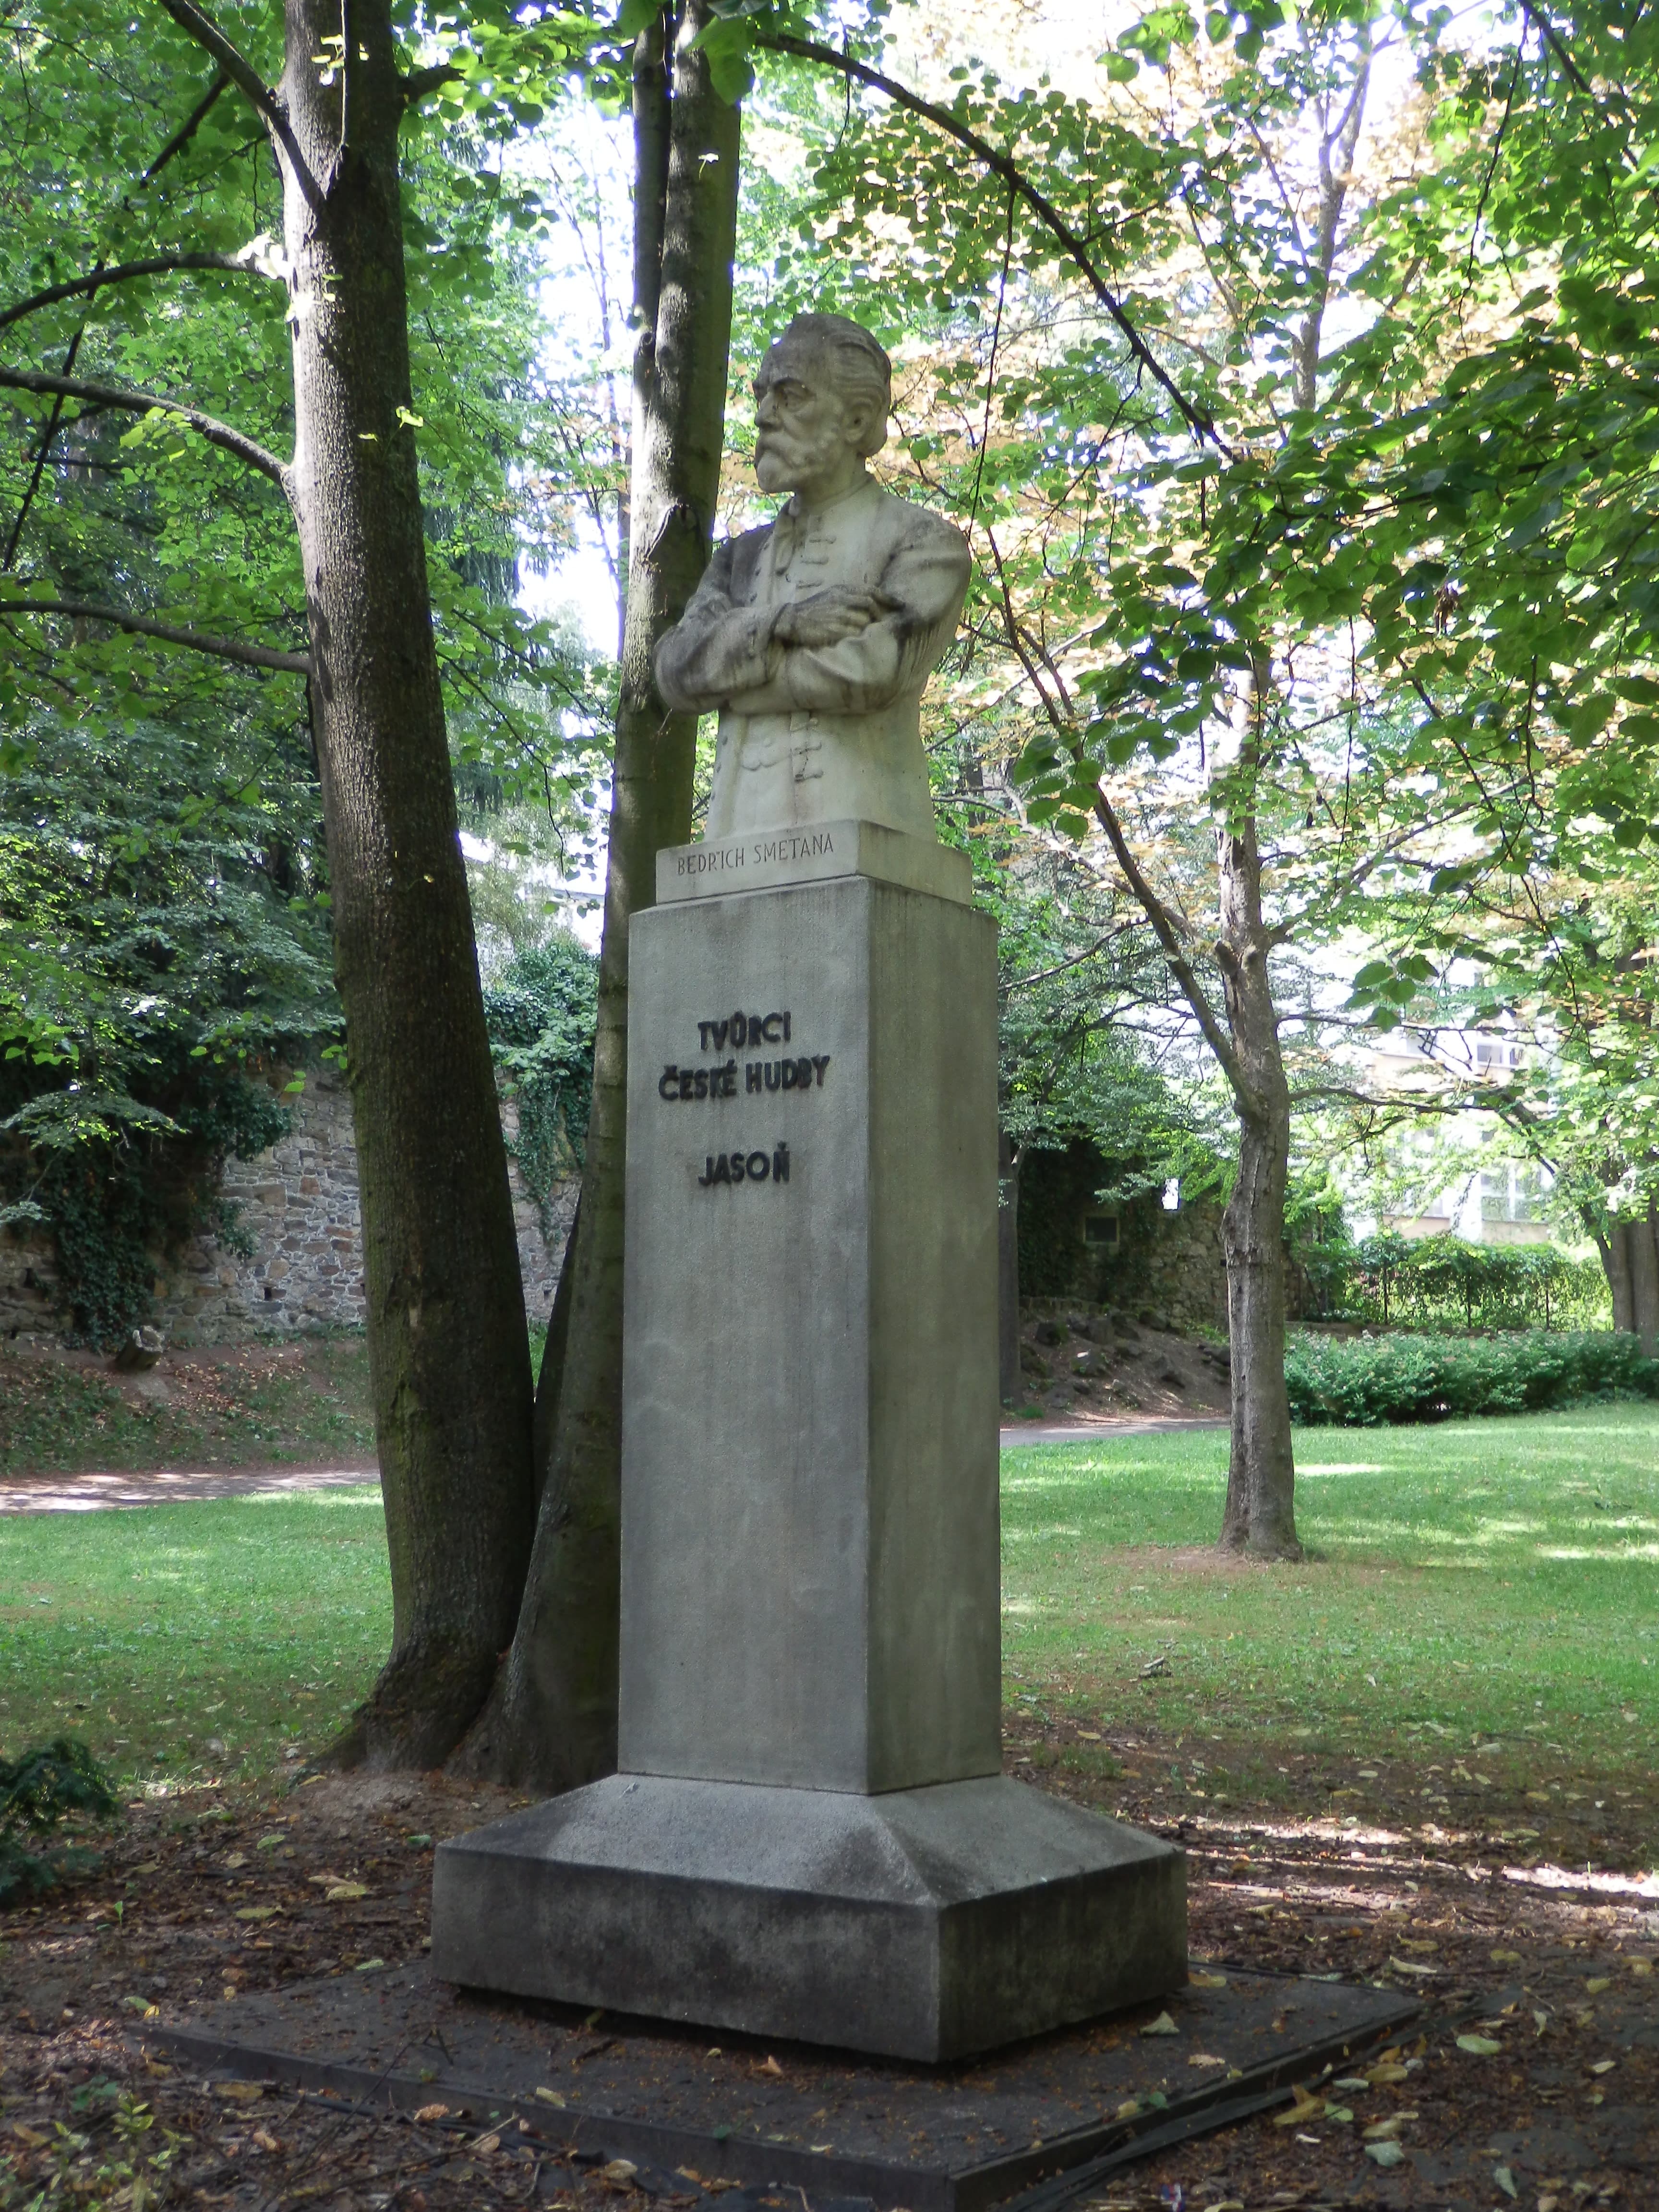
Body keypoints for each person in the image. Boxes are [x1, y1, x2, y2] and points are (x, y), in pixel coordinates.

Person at [655, 313, 971, 842]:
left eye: (791, 396)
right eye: (761, 396)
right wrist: (785, 623)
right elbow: (674, 671)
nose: (763, 417)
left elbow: (868, 672)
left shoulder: (922, 544)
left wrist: (732, 684)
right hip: (732, 853)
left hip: (869, 847)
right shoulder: (739, 557)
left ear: (856, 419)